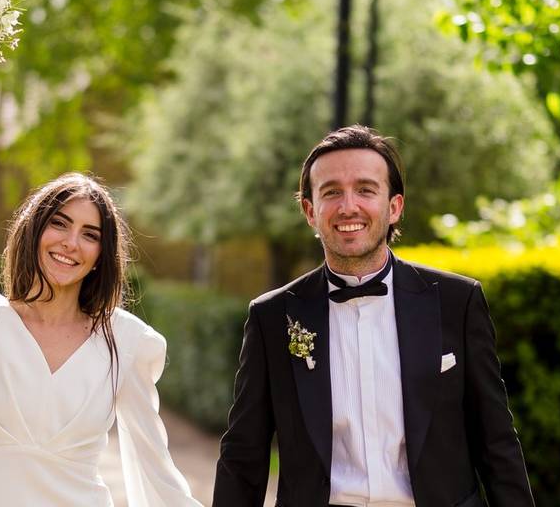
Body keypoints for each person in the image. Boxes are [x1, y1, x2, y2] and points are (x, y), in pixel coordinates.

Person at [0, 41, 202, 507]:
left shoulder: (127, 342)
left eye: (89, 234)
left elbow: (156, 470)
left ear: (102, 253)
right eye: (60, 224)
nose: (70, 243)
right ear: (34, 230)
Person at [213, 126, 534, 507]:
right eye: (332, 192)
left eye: (365, 189)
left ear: (394, 206)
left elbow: (496, 441)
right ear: (310, 210)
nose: (348, 206)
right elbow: (243, 456)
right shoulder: (272, 317)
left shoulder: (457, 302)